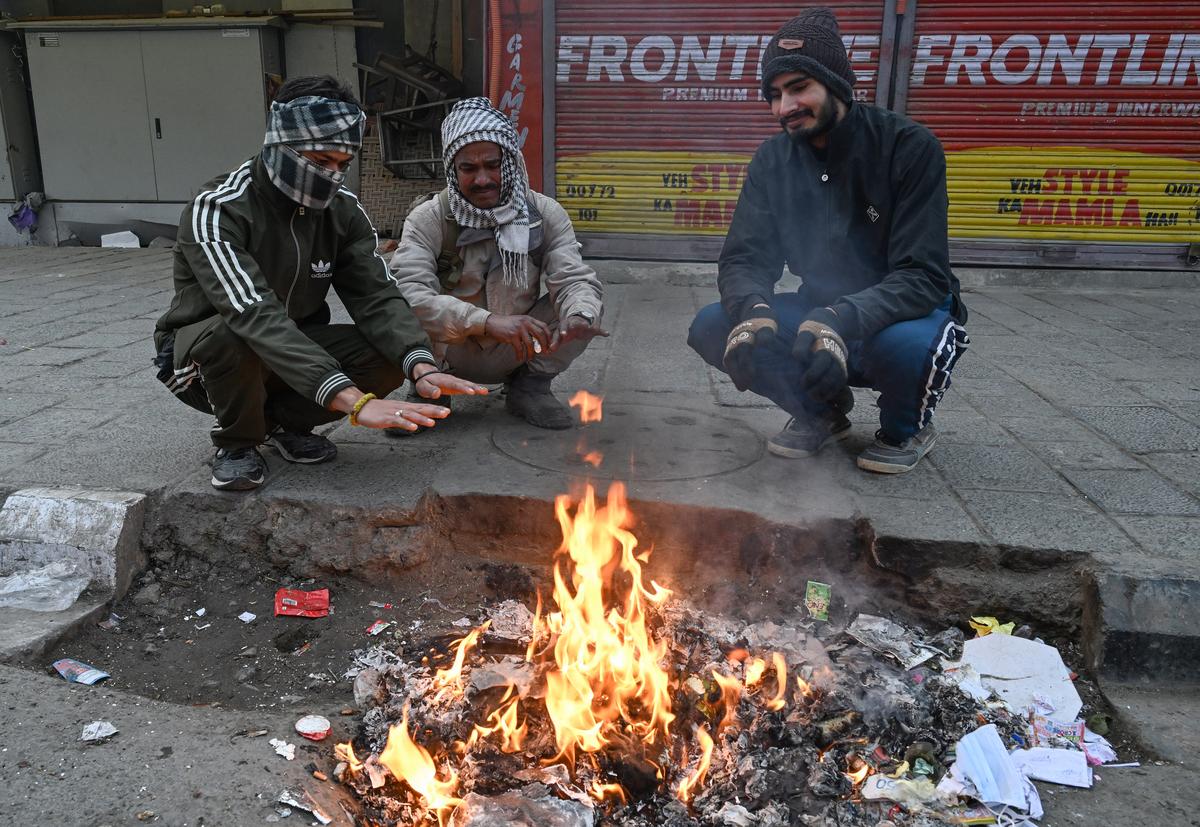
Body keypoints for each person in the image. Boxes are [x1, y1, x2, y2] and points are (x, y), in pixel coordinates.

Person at [153, 75, 486, 491]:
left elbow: (376, 295)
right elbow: (254, 314)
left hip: (294, 346)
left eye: (342, 165)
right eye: (320, 160)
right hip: (204, 360)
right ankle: (238, 443)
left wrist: (420, 366)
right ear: (279, 148)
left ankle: (281, 424)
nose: (332, 176)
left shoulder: (341, 211)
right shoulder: (219, 209)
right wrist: (351, 401)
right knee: (233, 335)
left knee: (386, 356)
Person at [687, 7, 969, 474]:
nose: (784, 108)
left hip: (901, 316)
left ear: (838, 85)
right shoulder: (773, 160)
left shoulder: (909, 147)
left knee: (906, 348)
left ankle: (908, 428)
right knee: (715, 325)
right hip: (817, 312)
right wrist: (753, 314)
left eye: (799, 88)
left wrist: (838, 319)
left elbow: (923, 275)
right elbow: (744, 258)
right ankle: (819, 410)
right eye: (774, 95)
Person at [390, 97, 605, 430]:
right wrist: (487, 322)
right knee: (396, 306)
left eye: (493, 164)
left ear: (512, 161)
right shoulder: (428, 218)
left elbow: (572, 277)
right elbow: (409, 294)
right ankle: (429, 386)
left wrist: (578, 317)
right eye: (468, 168)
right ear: (452, 169)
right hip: (448, 347)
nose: (483, 180)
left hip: (519, 348)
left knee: (585, 302)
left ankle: (530, 386)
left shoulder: (545, 213)